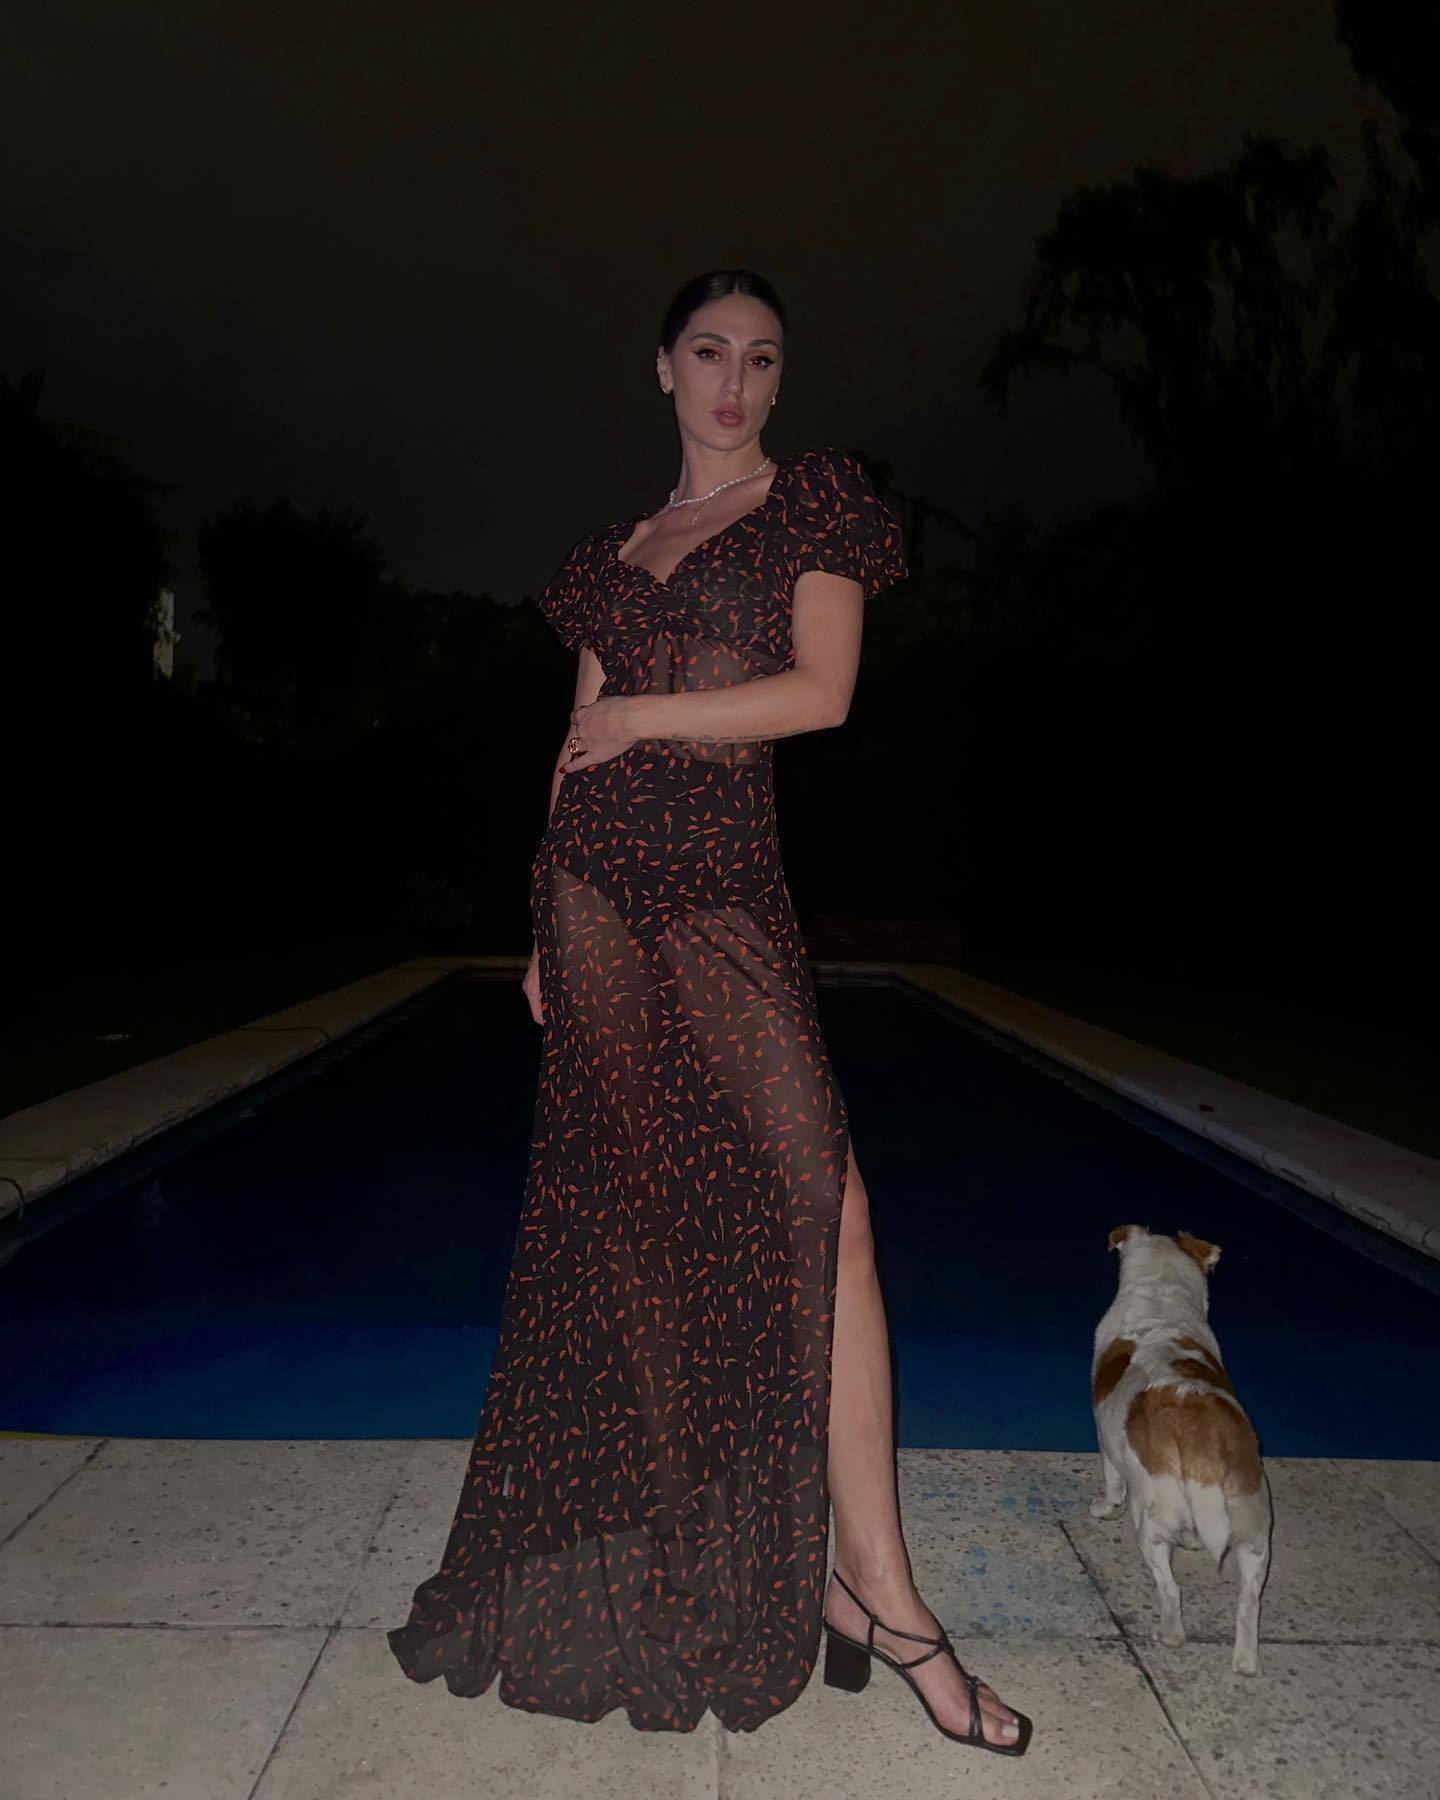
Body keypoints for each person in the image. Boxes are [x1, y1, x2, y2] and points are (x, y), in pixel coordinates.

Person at [387, 268, 1031, 1755]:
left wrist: (643, 716)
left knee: (828, 1204)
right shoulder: (609, 555)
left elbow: (822, 692)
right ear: (661, 370)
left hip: (726, 901)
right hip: (597, 901)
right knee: (638, 1229)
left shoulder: (813, 504)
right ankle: (745, 1552)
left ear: (780, 381)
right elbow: (573, 744)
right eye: (709, 353)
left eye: (762, 358)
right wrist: (539, 916)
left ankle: (878, 1592)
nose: (736, 383)